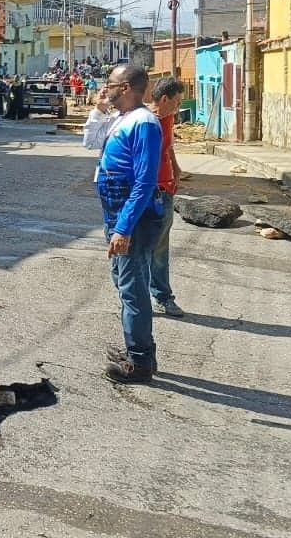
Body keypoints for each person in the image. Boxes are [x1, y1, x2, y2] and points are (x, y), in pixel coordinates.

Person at [97, 63, 165, 384]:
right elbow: (91, 142)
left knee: (133, 288)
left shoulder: (145, 123)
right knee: (126, 284)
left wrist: (123, 228)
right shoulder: (124, 118)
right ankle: (138, 350)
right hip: (118, 215)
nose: (105, 88)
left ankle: (139, 362)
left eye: (110, 83)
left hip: (132, 219)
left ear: (125, 88)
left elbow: (144, 182)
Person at [148, 77, 186, 317]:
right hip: (146, 192)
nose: (178, 107)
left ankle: (162, 296)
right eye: (177, 102)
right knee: (141, 249)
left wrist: (176, 168)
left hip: (165, 190)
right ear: (164, 99)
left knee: (160, 249)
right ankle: (136, 297)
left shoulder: (168, 119)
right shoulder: (144, 121)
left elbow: (169, 146)